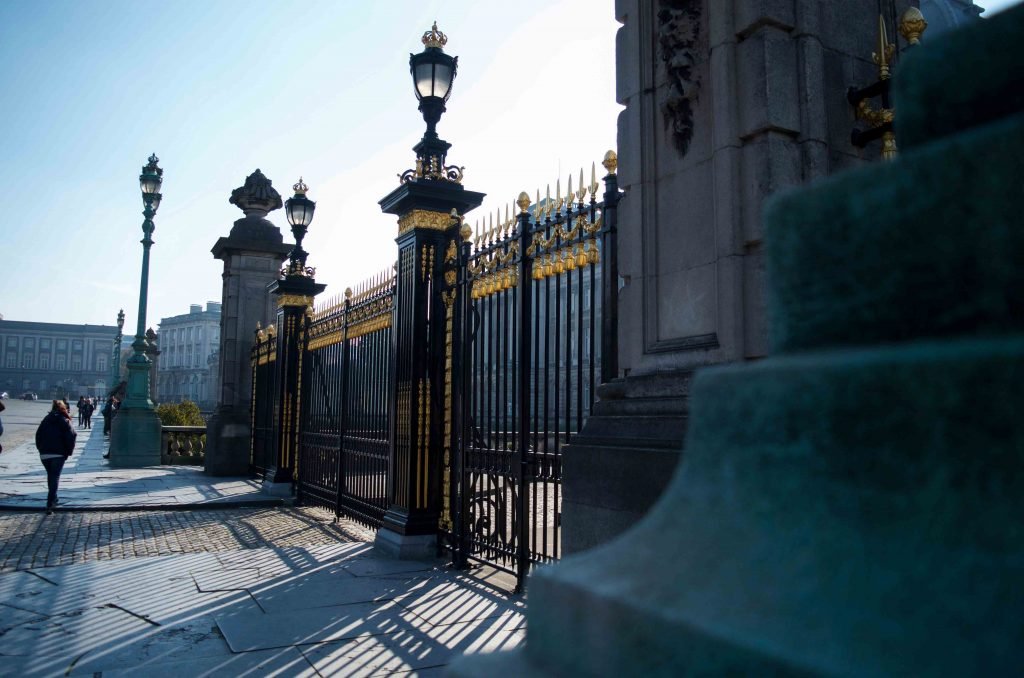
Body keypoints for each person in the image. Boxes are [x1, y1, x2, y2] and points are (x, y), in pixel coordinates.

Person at [36, 400, 77, 514]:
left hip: (44, 453)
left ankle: (54, 497)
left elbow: (38, 435)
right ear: (63, 408)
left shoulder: (46, 419)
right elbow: (72, 435)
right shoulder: (64, 420)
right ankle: (50, 504)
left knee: (51, 476)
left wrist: (40, 448)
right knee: (54, 477)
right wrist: (68, 451)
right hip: (58, 454)